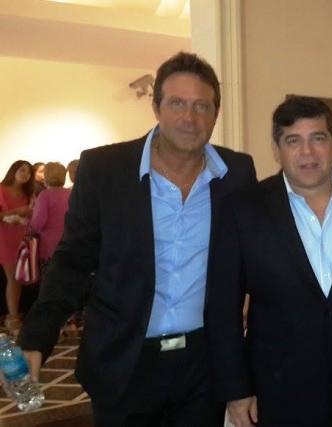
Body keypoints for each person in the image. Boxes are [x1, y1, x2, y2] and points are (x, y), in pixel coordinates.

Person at [17, 51, 257, 426]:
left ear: (215, 113)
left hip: (204, 368)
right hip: (124, 363)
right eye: (176, 103)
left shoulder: (236, 173)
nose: (189, 118)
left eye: (202, 106)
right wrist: (37, 336)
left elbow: (251, 263)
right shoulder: (104, 170)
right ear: (156, 108)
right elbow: (73, 261)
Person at [222, 96, 332, 426]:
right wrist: (236, 390)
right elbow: (222, 306)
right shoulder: (243, 209)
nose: (307, 152)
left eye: (318, 138)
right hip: (278, 393)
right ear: (276, 149)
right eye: (293, 141)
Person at [0, 160, 34, 334]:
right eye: (22, 170)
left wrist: (29, 213)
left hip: (22, 238)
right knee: (12, 277)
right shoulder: (1, 189)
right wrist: (16, 211)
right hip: (4, 237)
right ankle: (12, 317)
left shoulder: (28, 193)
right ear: (13, 171)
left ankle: (14, 314)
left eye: (28, 172)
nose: (25, 174)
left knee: (19, 278)